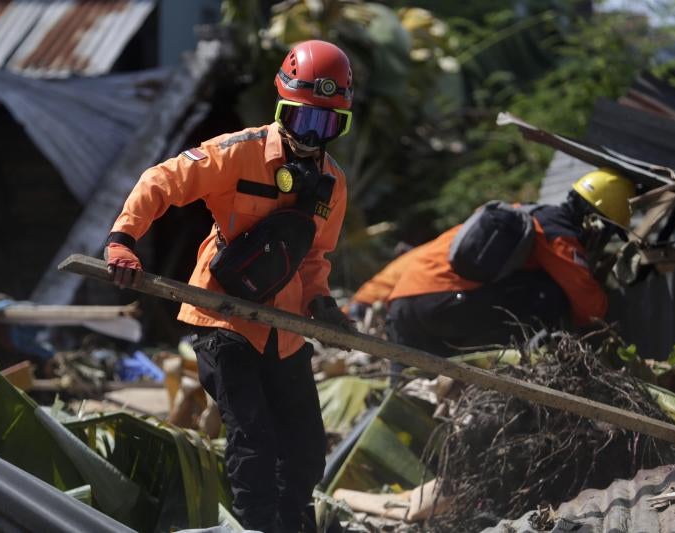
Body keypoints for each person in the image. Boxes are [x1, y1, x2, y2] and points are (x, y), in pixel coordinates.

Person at [103, 40, 354, 532]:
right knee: (253, 441)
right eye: (304, 120)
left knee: (304, 447)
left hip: (282, 329)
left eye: (327, 125)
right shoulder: (237, 153)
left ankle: (295, 523)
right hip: (221, 315)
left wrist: (321, 302)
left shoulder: (332, 183)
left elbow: (314, 257)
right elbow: (162, 181)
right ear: (282, 109)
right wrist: (122, 238)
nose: (312, 136)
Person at [386, 168, 636, 355]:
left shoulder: (524, 211)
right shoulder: (557, 234)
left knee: (409, 394)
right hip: (440, 302)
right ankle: (519, 364)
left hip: (401, 304)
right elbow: (590, 307)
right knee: (551, 296)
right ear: (597, 223)